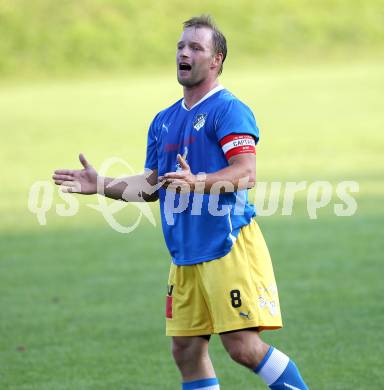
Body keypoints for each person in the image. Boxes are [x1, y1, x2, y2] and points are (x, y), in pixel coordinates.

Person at [52, 15, 308, 390]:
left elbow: (246, 172)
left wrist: (199, 182)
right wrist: (101, 184)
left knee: (242, 346)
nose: (183, 53)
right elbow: (152, 186)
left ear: (216, 60)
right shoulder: (164, 120)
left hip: (227, 245)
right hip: (185, 254)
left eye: (195, 47)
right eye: (180, 46)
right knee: (186, 351)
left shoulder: (228, 109)